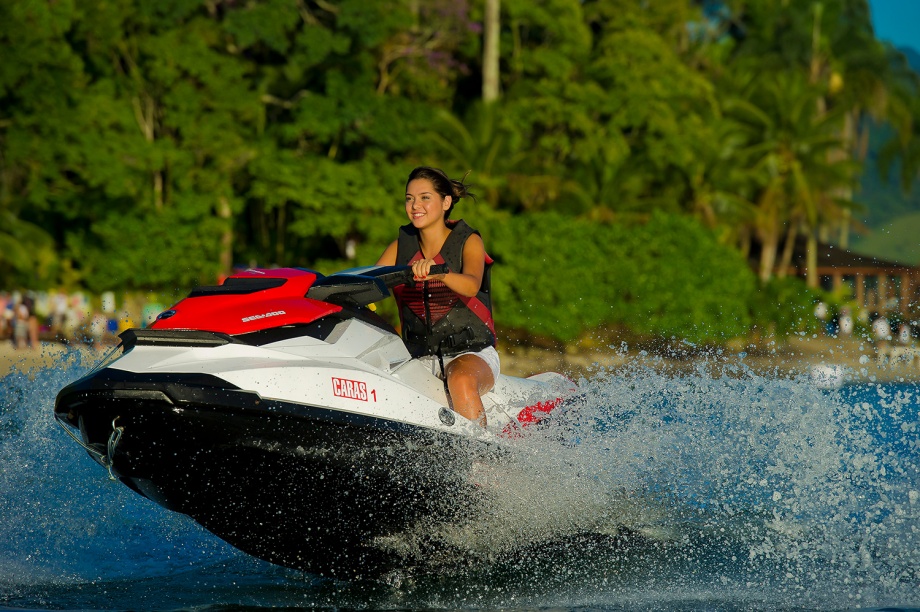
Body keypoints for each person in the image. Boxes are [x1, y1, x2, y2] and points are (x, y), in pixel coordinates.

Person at [376, 167, 498, 427]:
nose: (415, 205)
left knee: (461, 380)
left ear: (446, 202)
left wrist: (440, 274)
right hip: (418, 358)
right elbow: (371, 285)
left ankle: (483, 465)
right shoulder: (401, 247)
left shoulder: (468, 241)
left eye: (424, 198)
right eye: (409, 198)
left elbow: (471, 285)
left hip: (472, 353)